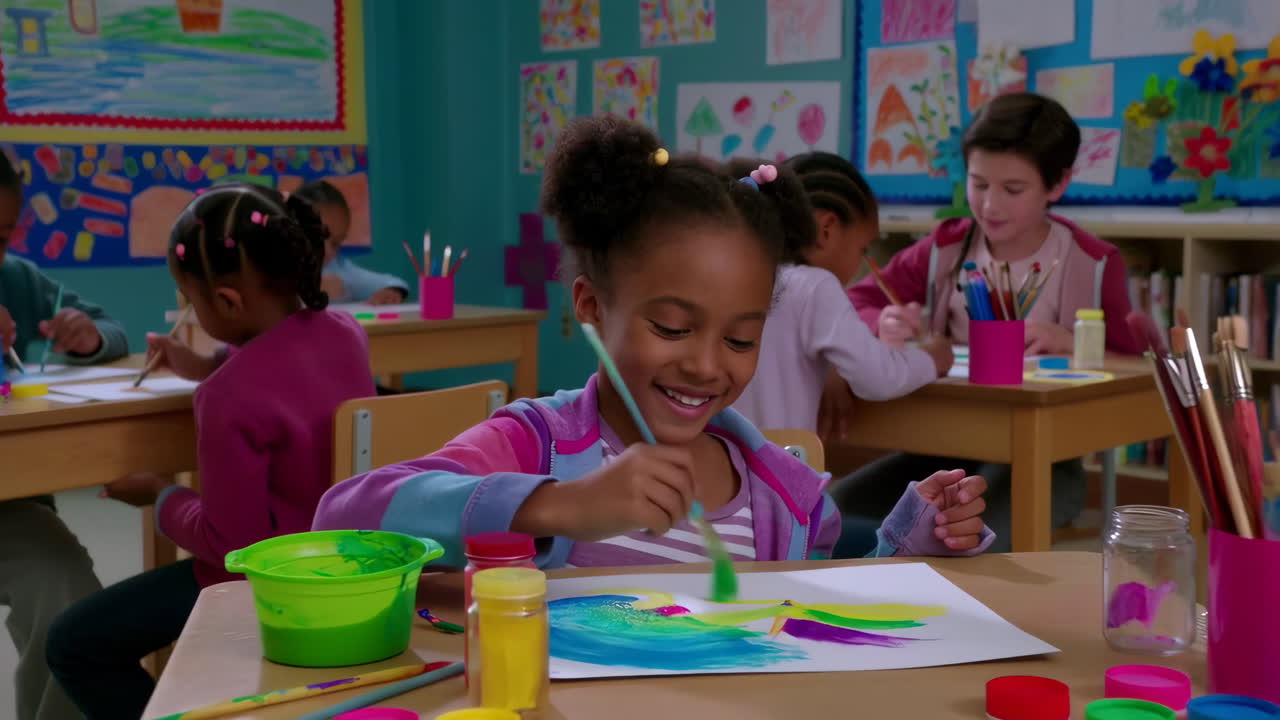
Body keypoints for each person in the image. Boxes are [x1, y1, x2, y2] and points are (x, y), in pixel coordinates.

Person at [312, 115, 993, 569]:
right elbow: (344, 521)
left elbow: (811, 629)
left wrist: (907, 547)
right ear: (591, 308)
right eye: (671, 327)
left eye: (741, 338)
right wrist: (555, 505)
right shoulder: (535, 444)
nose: (704, 364)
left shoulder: (783, 493)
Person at [46, 183, 376, 719]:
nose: (191, 315)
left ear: (225, 300)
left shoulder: (227, 398)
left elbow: (230, 548)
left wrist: (162, 495)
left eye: (192, 303)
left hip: (269, 583)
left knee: (74, 644)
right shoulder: (344, 332)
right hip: (351, 565)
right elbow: (285, 366)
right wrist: (209, 363)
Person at [837, 93, 1141, 552]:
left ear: (1057, 184)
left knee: (969, 542)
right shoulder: (943, 249)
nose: (990, 205)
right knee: (834, 510)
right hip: (939, 447)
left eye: (1013, 190)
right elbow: (855, 301)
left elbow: (1134, 363)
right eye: (978, 184)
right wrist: (883, 320)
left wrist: (1072, 339)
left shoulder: (1093, 263)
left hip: (1045, 461)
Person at [0, 150, 129, 720]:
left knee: (66, 588)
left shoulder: (17, 280)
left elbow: (112, 330)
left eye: (1, 234)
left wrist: (86, 336)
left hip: (10, 508)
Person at [733, 151, 951, 435]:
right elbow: (878, 378)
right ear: (827, 229)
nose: (862, 261)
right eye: (863, 248)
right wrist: (932, 358)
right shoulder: (815, 285)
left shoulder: (742, 274)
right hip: (781, 467)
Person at [294, 180, 410, 305]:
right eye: (317, 238)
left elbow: (395, 282)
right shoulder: (276, 269)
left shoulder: (340, 270)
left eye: (336, 243)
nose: (326, 251)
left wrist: (393, 291)